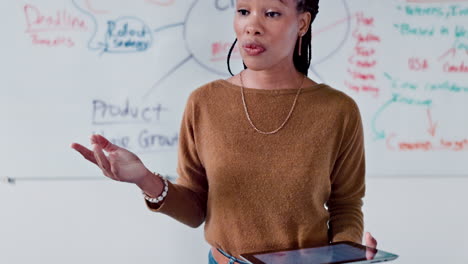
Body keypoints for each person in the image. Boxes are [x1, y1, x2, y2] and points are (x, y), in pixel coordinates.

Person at [71, 0, 378, 263]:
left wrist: (345, 251)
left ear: (302, 23)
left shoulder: (338, 109)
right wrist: (143, 179)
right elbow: (194, 209)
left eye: (271, 13)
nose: (252, 26)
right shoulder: (203, 103)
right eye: (243, 10)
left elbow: (346, 204)